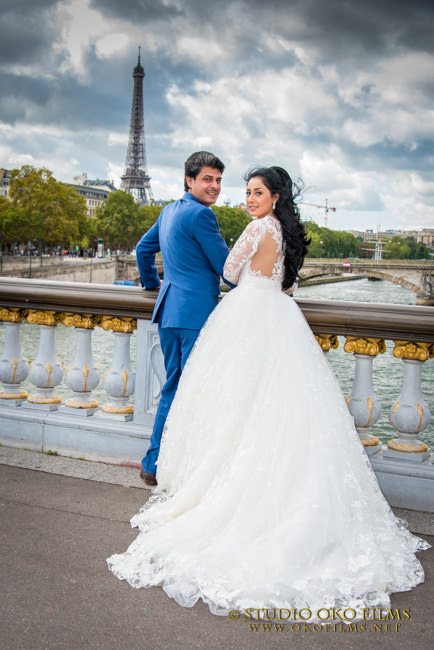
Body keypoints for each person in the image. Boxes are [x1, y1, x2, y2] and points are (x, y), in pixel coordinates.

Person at [108, 166, 429, 621]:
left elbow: (229, 271)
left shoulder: (253, 226)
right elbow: (284, 281)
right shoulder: (283, 231)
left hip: (238, 315)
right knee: (273, 407)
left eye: (255, 192)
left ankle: (176, 470)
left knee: (225, 400)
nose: (247, 199)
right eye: (246, 192)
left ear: (275, 197)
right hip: (279, 316)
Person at [135, 151, 231, 486]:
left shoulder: (168, 211)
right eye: (208, 179)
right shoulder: (202, 216)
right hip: (196, 315)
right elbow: (228, 270)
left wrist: (153, 284)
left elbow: (143, 251)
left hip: (169, 311)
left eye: (218, 180)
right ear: (189, 180)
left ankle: (155, 462)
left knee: (174, 387)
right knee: (189, 390)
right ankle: (162, 463)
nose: (215, 186)